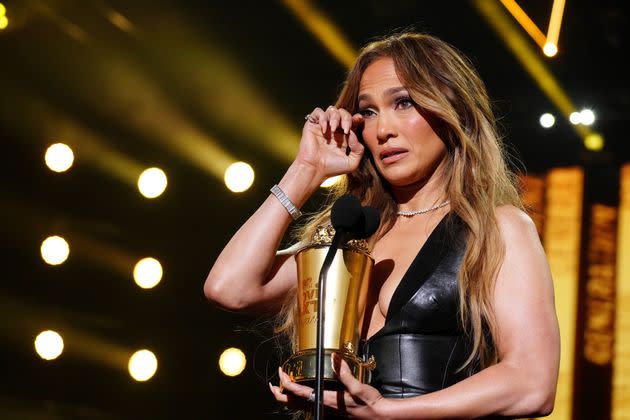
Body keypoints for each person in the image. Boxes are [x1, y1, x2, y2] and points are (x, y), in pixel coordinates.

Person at [204, 31, 560, 418]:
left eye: (403, 103)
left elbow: (531, 383)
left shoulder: (496, 228)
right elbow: (229, 288)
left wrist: (388, 412)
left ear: (450, 107)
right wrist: (305, 171)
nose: (382, 129)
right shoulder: (351, 232)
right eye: (368, 112)